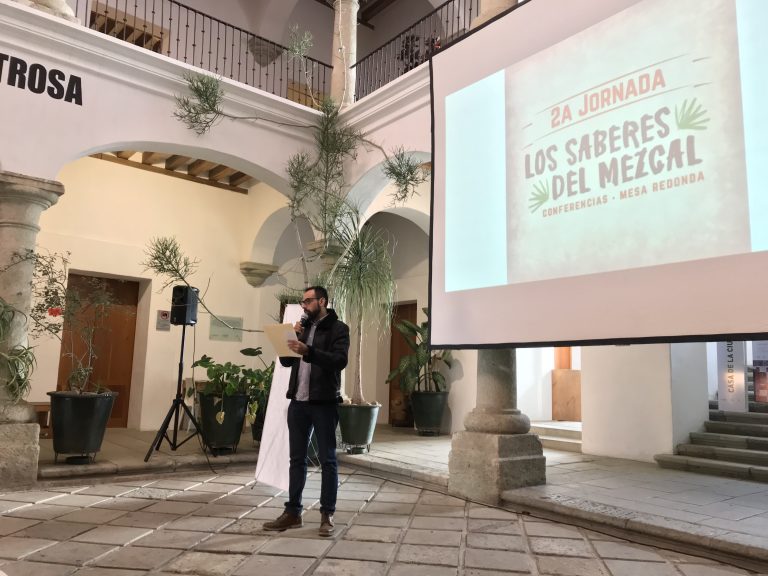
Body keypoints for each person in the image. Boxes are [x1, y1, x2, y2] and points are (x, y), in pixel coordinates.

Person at [263, 286, 350, 537]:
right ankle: (293, 513)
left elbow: (339, 361)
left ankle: (327, 514)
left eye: (308, 301)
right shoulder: (303, 328)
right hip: (298, 403)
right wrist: (291, 339)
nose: (303, 305)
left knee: (327, 460)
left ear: (322, 301)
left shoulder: (338, 328)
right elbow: (286, 361)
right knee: (296, 460)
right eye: (302, 302)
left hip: (324, 403)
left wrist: (309, 351)